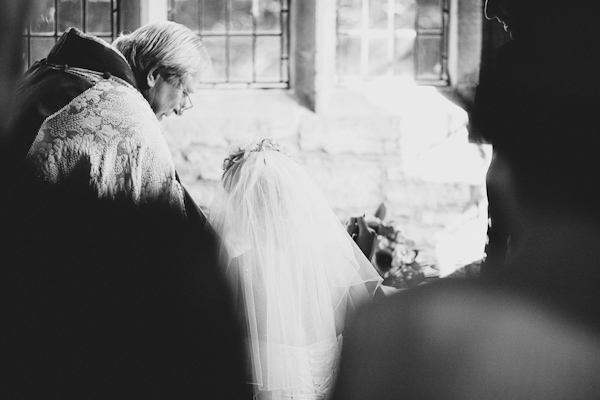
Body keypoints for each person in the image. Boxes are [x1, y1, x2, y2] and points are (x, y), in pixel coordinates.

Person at [0, 21, 247, 398]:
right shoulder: (126, 114)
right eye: (184, 92)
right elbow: (166, 227)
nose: (182, 108)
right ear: (155, 75)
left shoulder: (51, 72)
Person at [208, 138, 383, 400]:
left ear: (242, 208)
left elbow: (215, 360)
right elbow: (374, 346)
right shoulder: (336, 266)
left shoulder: (235, 270)